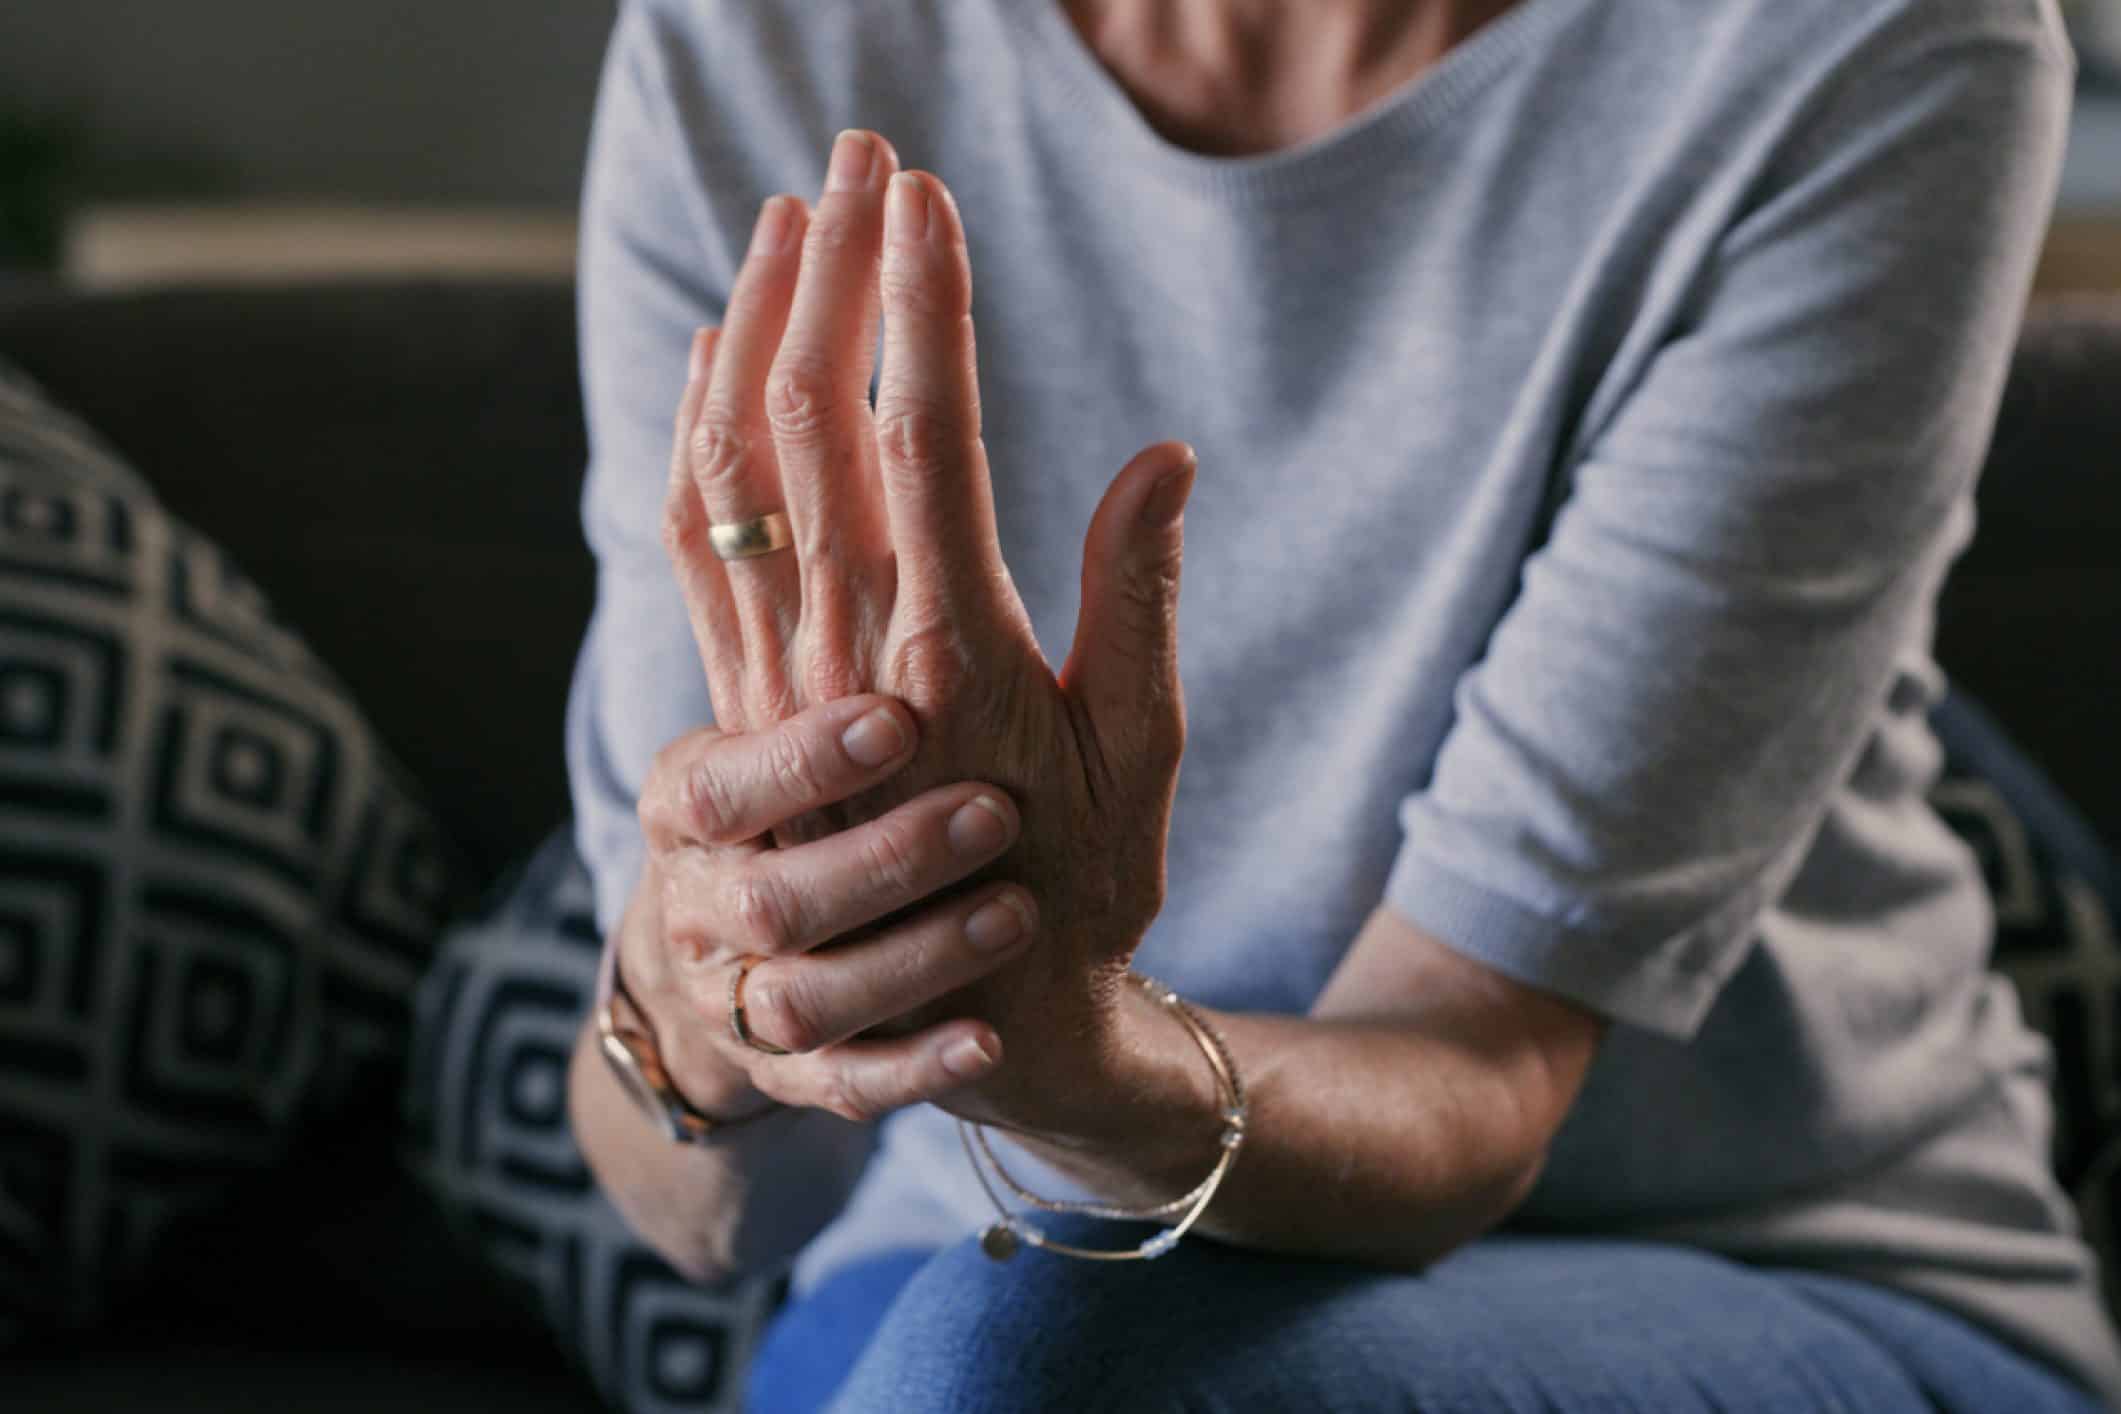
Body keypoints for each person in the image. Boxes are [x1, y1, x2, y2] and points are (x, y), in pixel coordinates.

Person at [562, 0, 2121, 1408]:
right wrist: (718, 994)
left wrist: (1073, 1054)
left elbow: (1472, 1079)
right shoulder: (750, 43)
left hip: (1752, 1262)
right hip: (950, 1273)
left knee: (1027, 1367)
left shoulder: (1855, 46)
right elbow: (705, 1207)